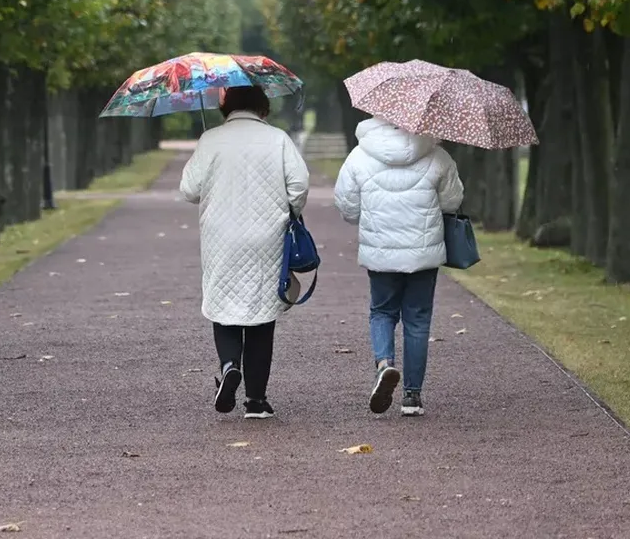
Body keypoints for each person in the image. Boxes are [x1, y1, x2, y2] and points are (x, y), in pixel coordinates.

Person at [179, 85, 310, 419]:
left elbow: (189, 190)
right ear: (262, 108)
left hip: (220, 235)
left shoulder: (211, 139)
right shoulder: (278, 139)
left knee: (223, 304)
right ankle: (256, 400)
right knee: (262, 315)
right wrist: (291, 211)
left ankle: (228, 366)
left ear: (227, 108)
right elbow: (299, 185)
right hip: (267, 236)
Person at [333, 116, 464, 417]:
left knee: (382, 311)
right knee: (417, 321)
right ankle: (412, 396)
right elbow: (452, 202)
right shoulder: (436, 154)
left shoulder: (360, 155)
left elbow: (347, 206)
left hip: (380, 252)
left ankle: (384, 364)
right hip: (423, 252)